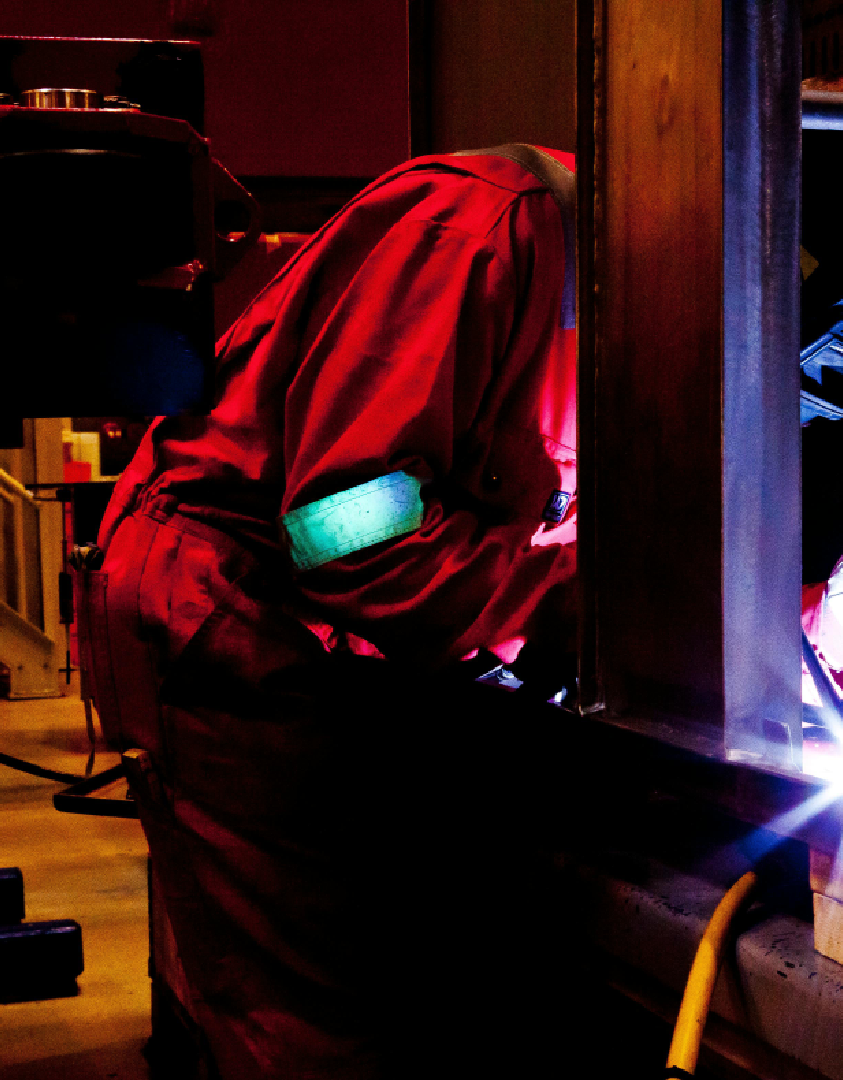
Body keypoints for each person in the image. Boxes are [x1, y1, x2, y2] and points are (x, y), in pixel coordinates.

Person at [85, 146, 583, 1079]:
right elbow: (344, 526)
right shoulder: (476, 230)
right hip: (229, 616)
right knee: (320, 1028)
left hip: (346, 637)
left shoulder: (629, 304)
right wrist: (564, 612)